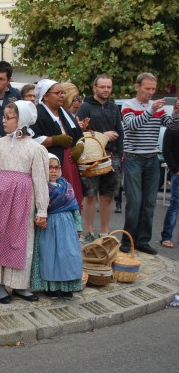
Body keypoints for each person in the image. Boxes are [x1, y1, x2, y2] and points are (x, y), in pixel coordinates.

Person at [0, 100, 49, 304]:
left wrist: (42, 209)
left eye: (9, 117)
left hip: (23, 200)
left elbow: (40, 179)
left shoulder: (35, 148)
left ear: (23, 121)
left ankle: (19, 284)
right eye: (4, 116)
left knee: (20, 241)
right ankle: (0, 284)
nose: (4, 121)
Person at [120, 73, 179, 255]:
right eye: (147, 88)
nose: (150, 92)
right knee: (135, 202)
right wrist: (150, 110)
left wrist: (176, 113)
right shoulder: (128, 105)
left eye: (153, 89)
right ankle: (127, 240)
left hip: (152, 158)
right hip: (133, 158)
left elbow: (172, 126)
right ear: (137, 87)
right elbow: (131, 126)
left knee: (149, 203)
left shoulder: (157, 108)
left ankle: (142, 240)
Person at [75, 74, 123, 243]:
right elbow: (78, 132)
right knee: (89, 196)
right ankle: (88, 232)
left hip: (111, 156)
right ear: (94, 88)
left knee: (107, 196)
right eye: (102, 87)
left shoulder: (113, 107)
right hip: (91, 158)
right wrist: (103, 135)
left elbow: (120, 132)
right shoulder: (85, 107)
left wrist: (120, 155)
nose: (106, 90)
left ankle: (104, 232)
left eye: (108, 87)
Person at [30, 154, 83, 299]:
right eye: (49, 167)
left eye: (56, 167)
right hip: (49, 226)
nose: (53, 171)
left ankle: (67, 287)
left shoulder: (66, 186)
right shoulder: (41, 187)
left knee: (68, 255)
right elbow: (37, 206)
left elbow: (74, 207)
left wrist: (78, 226)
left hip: (67, 227)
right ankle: (51, 287)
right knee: (49, 256)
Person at [31, 79, 86, 208]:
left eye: (63, 92)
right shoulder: (36, 114)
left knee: (72, 197)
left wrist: (80, 146)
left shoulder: (66, 114)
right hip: (49, 165)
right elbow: (31, 138)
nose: (62, 96)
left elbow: (80, 136)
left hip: (69, 164)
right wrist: (53, 140)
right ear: (45, 96)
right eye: (57, 93)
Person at [160, 127, 179, 248]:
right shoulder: (173, 128)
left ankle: (167, 236)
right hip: (177, 171)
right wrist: (175, 170)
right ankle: (166, 236)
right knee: (175, 204)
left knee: (174, 204)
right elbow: (166, 150)